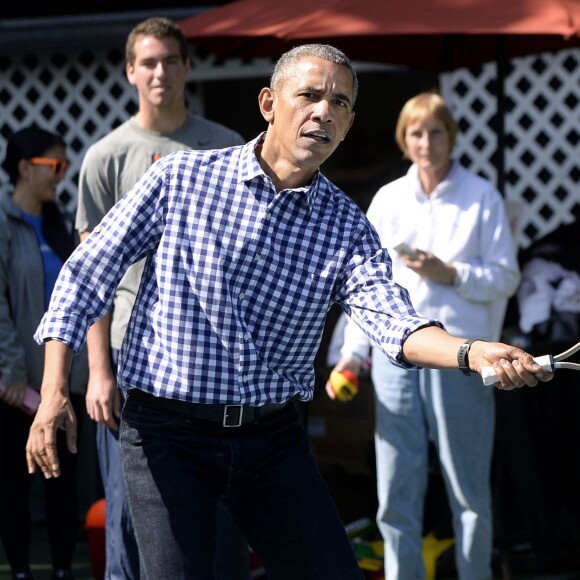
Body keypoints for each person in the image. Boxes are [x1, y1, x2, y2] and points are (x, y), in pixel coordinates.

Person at [26, 44, 551, 580]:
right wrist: (52, 394)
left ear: (347, 126)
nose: (324, 111)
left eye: (340, 104)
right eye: (310, 95)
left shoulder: (347, 227)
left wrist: (471, 351)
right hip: (168, 433)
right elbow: (86, 274)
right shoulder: (180, 179)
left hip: (270, 440)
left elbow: (396, 324)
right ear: (268, 103)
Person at [74, 16, 249, 580]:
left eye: (171, 60)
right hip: (132, 362)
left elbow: (247, 259)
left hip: (212, 364)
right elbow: (90, 277)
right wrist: (99, 371)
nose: (161, 72)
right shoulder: (106, 157)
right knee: (130, 518)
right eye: (149, 62)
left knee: (217, 513)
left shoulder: (225, 145)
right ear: (130, 71)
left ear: (187, 68)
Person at [329, 91, 521, 579]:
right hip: (397, 360)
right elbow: (361, 287)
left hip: (464, 358)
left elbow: (506, 277)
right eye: (417, 132)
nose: (427, 141)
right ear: (404, 140)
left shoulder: (482, 196)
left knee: (469, 491)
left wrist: (450, 273)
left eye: (436, 131)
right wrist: (351, 356)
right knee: (396, 491)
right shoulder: (388, 199)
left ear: (450, 136)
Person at [0, 125, 88, 580]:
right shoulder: (2, 223)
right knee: (15, 485)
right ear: (23, 168)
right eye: (54, 166)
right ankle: (17, 570)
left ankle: (59, 569)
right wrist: (12, 374)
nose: (62, 175)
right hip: (16, 389)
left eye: (65, 165)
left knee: (64, 485)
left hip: (65, 386)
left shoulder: (63, 223)